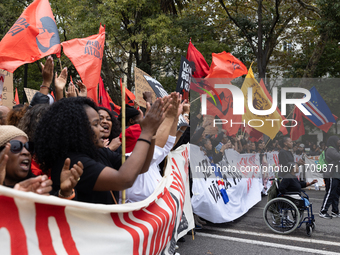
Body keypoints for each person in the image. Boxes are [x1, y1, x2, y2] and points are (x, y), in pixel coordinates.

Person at [34, 97, 165, 204]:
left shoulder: (99, 152)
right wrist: (146, 132)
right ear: (77, 129)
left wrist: (152, 133)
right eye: (96, 124)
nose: (102, 128)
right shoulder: (73, 162)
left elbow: (142, 167)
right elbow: (124, 180)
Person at [0, 125, 83, 197]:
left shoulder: (38, 186)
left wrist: (65, 193)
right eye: (16, 146)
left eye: (29, 146)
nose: (26, 152)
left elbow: (52, 212)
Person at [319, 136, 340, 219]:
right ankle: (323, 211)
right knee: (330, 193)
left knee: (336, 194)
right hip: (331, 175)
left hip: (336, 175)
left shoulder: (335, 149)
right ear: (334, 141)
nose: (339, 141)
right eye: (338, 140)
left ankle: (335, 211)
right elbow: (338, 157)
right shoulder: (331, 149)